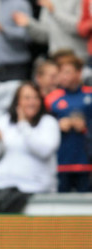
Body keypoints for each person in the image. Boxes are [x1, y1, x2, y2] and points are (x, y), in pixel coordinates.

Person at [0, 82, 61, 193]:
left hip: (38, 190)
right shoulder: (4, 121)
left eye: (35, 98)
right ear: (17, 101)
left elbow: (45, 151)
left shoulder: (48, 122)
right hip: (4, 190)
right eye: (27, 98)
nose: (31, 102)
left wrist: (23, 125)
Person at [45, 53, 92, 192]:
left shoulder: (89, 94)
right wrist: (57, 126)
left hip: (86, 162)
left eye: (67, 72)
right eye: (60, 72)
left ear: (78, 73)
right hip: (61, 161)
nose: (63, 76)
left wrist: (85, 128)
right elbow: (41, 127)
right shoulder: (51, 99)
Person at [13, 0, 87, 60]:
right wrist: (29, 24)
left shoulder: (81, 1)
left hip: (77, 57)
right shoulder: (50, 1)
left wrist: (54, 12)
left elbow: (80, 28)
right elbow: (45, 36)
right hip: (55, 57)